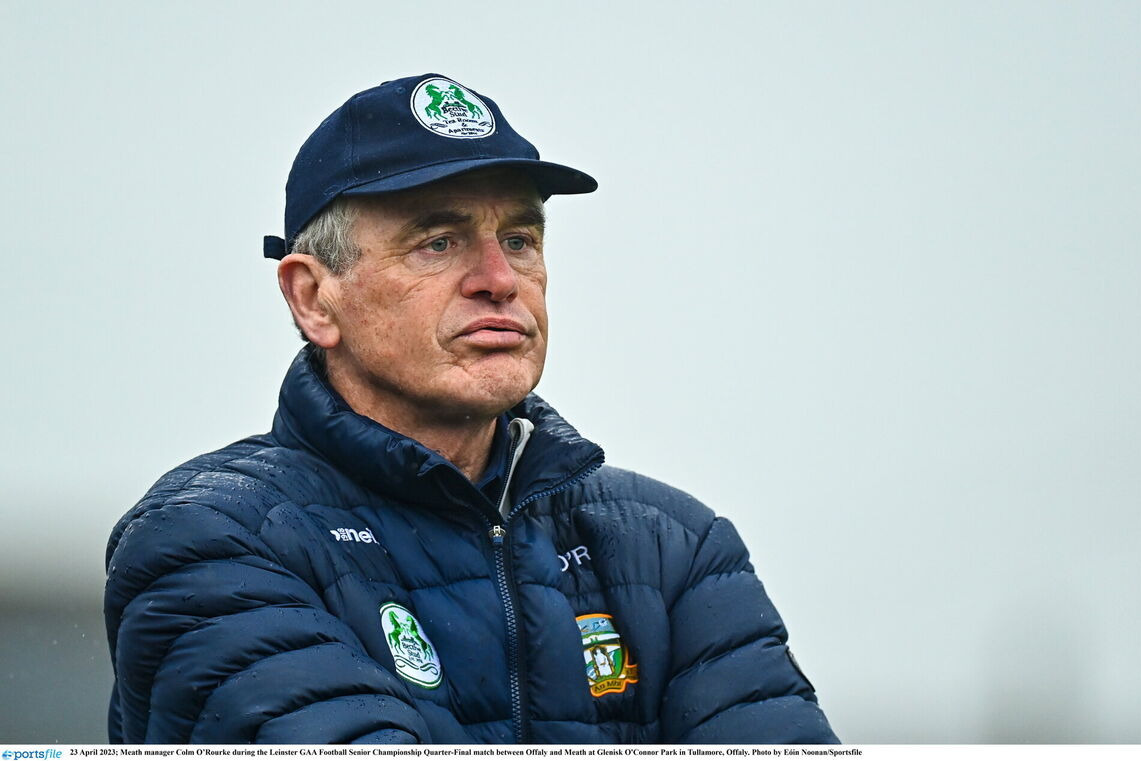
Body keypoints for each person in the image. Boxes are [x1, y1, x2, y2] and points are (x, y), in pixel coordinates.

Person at [103, 73, 838, 744]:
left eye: (519, 239)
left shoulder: (674, 548)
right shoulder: (209, 537)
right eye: (438, 242)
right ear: (312, 296)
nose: (498, 278)